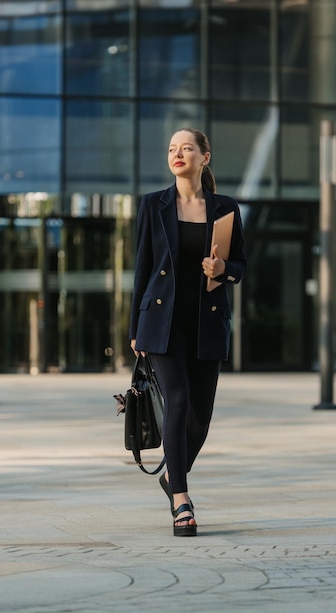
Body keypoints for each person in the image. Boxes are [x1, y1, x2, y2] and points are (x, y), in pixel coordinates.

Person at [129, 128, 246, 536]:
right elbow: (142, 268)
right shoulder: (152, 205)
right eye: (172, 149)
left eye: (187, 148)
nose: (177, 154)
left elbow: (241, 266)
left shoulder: (226, 209)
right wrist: (134, 331)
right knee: (177, 402)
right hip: (161, 322)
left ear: (205, 157)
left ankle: (171, 476)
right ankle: (181, 498)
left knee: (200, 420)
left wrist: (223, 270)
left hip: (207, 323)